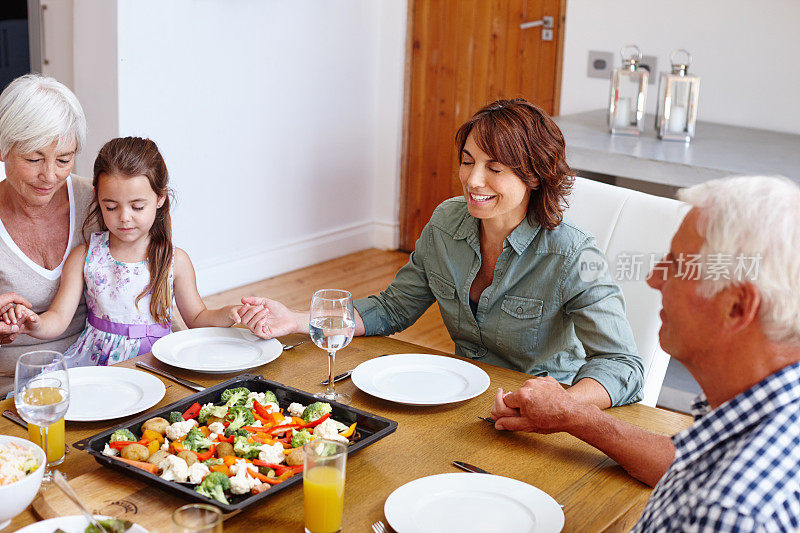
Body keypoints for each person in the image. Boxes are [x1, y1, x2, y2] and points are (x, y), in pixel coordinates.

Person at [236, 99, 643, 408]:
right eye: (467, 162)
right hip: (460, 397)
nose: (473, 179)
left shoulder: (572, 254)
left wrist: (562, 406)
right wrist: (295, 320)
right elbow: (394, 308)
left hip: (539, 414)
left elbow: (622, 365)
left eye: (494, 168)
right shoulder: (447, 223)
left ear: (534, 174)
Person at [492, 175, 800, 531]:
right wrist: (572, 415)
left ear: (737, 306)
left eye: (676, 265)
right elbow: (686, 463)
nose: (654, 278)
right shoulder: (757, 415)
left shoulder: (730, 512)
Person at [3, 137, 254, 365]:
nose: (124, 218)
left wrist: (230, 314)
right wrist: (32, 324)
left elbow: (198, 317)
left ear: (160, 198)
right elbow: (57, 318)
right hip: (97, 364)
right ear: (97, 199)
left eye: (137, 206)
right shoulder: (84, 256)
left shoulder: (175, 260)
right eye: (111, 207)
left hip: (158, 360)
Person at [0, 73, 93, 395]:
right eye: (33, 158)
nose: (49, 176)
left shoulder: (99, 203)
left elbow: (153, 281)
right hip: (12, 384)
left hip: (96, 371)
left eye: (64, 160)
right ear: (3, 148)